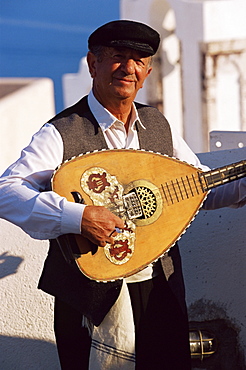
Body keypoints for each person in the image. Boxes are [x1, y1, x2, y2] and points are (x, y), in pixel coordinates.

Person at [0, 20, 245, 370]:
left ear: (146, 72)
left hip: (160, 288)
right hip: (89, 298)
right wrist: (78, 217)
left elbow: (197, 187)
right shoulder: (61, 132)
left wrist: (241, 187)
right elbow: (7, 191)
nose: (129, 68)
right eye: (118, 56)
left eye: (139, 60)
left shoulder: (158, 124)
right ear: (93, 64)